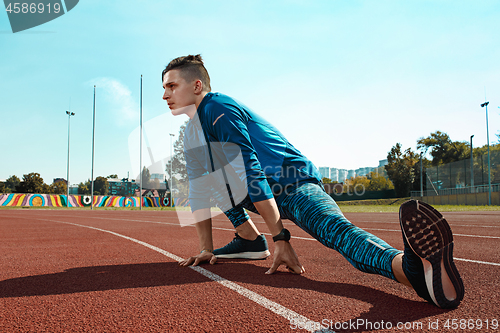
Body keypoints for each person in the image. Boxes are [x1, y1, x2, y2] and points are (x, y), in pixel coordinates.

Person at [162, 54, 464, 309]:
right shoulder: (191, 136)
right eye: (164, 89)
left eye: (172, 86)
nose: (165, 96)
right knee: (207, 177)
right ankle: (249, 240)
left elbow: (250, 170)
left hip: (293, 184)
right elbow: (201, 191)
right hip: (260, 195)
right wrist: (205, 247)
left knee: (334, 231)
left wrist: (280, 238)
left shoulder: (217, 107)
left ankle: (409, 270)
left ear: (197, 85)